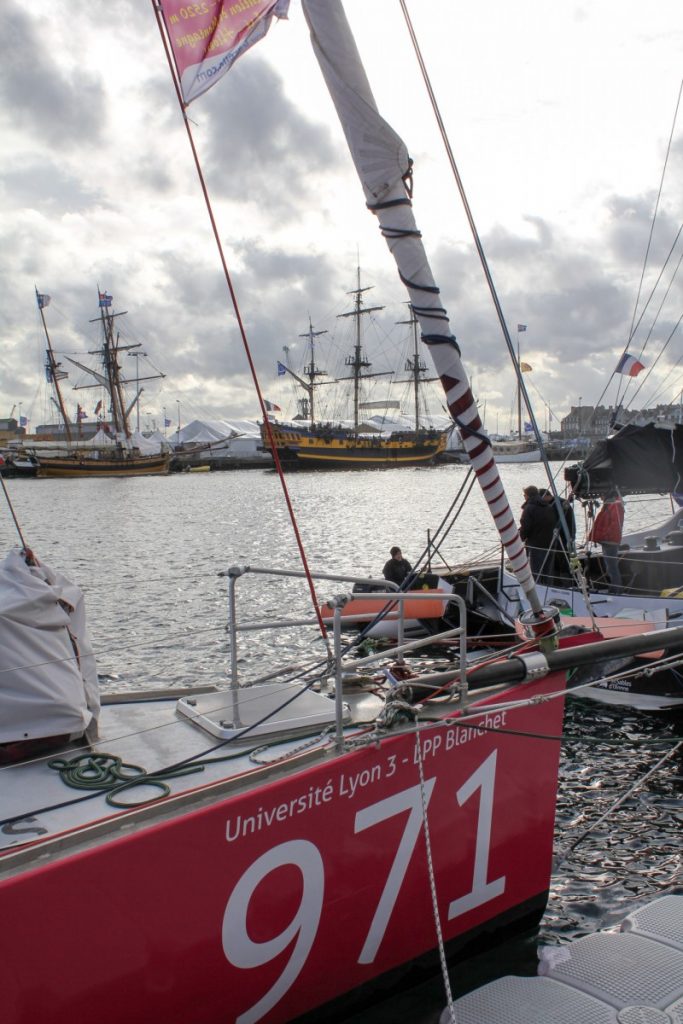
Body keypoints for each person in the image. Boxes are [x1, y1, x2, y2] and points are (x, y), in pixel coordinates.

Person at [519, 485, 557, 580]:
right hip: (549, 544)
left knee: (535, 572)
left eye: (524, 495)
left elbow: (526, 527)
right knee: (547, 573)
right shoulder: (548, 507)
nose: (524, 497)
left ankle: (536, 590)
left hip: (535, 545)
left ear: (528, 495)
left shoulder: (529, 508)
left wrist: (519, 539)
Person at [588, 492, 624, 588]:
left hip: (610, 541)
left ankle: (617, 589)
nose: (600, 496)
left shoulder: (615, 505)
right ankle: (614, 587)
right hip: (606, 541)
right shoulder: (609, 505)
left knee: (612, 568)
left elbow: (615, 525)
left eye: (602, 494)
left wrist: (604, 535)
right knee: (610, 567)